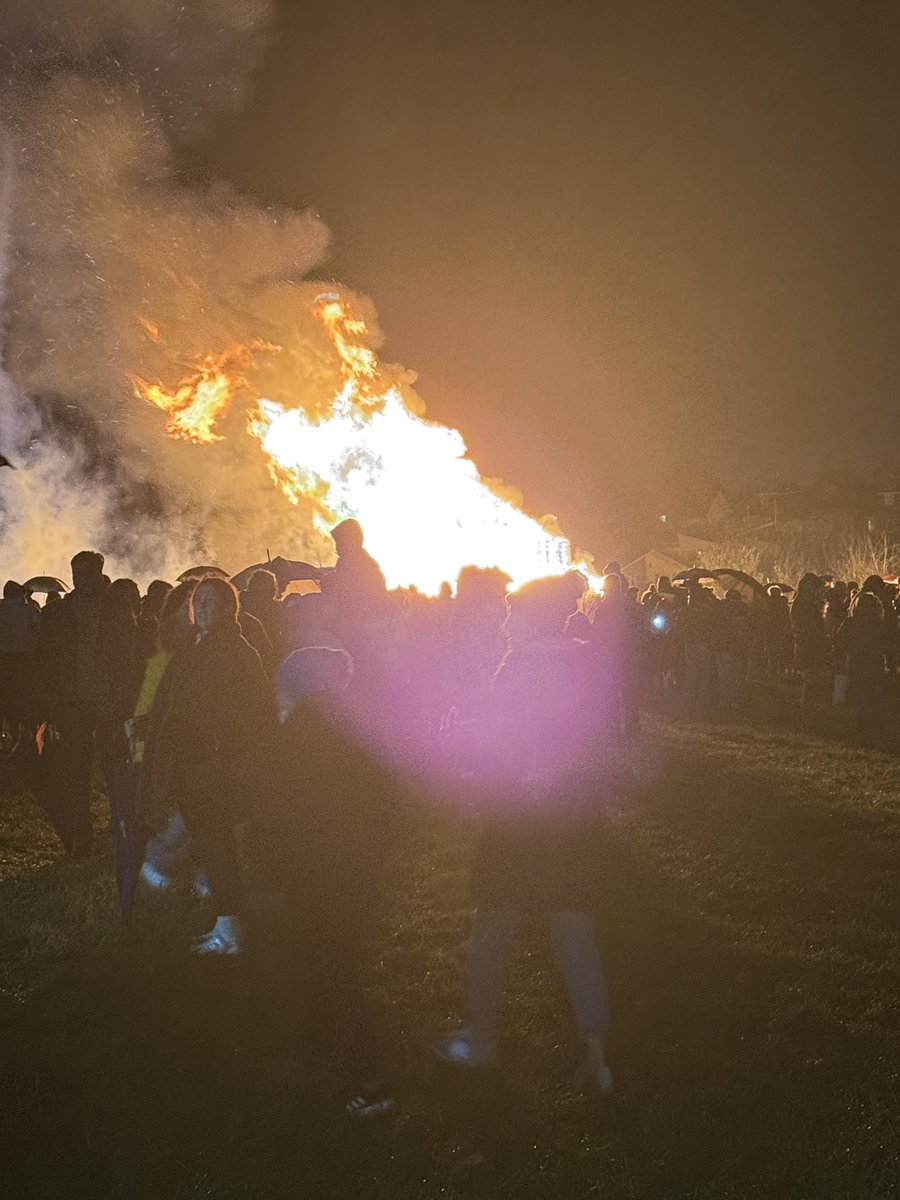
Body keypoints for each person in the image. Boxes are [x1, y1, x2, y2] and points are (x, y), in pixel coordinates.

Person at [434, 575, 613, 1093]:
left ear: (533, 618)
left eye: (513, 615)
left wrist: (458, 744)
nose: (506, 624)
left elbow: (502, 747)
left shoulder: (522, 669)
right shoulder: (583, 665)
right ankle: (598, 1057)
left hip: (520, 826)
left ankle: (479, 1039)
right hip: (573, 825)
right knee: (574, 930)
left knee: (493, 925)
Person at [268, 646, 401, 1117]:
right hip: (347, 871)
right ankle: (316, 1050)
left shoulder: (306, 732)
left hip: (323, 874)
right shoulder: (352, 726)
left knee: (333, 969)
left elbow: (285, 806)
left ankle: (373, 1077)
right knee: (325, 966)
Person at [140, 575, 275, 953]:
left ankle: (230, 931)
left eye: (212, 601)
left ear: (230, 606)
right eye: (198, 601)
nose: (202, 608)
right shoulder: (196, 647)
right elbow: (176, 701)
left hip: (213, 771)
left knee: (217, 847)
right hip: (192, 768)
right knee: (213, 844)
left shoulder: (235, 651)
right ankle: (226, 919)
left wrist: (217, 751)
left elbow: (252, 714)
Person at [0, 580, 40, 750]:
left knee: (5, 696)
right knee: (24, 696)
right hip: (26, 659)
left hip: (3, 659)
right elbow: (39, 630)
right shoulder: (29, 610)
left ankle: (6, 730)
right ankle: (26, 733)